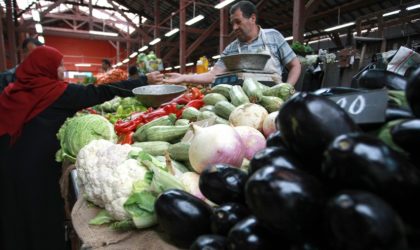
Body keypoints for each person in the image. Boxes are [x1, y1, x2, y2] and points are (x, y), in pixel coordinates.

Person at [0, 46, 163, 250]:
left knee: (13, 214)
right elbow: (101, 92)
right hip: (37, 171)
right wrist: (143, 81)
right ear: (46, 68)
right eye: (59, 66)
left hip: (7, 166)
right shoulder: (56, 93)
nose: (62, 69)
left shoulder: (11, 92)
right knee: (40, 217)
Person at [164, 1, 301, 86]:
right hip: (244, 107)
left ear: (252, 18)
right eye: (232, 24)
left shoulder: (273, 36)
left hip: (274, 100)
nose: (234, 28)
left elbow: (295, 65)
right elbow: (213, 75)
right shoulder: (231, 49)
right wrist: (184, 77)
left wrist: (287, 88)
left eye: (238, 22)